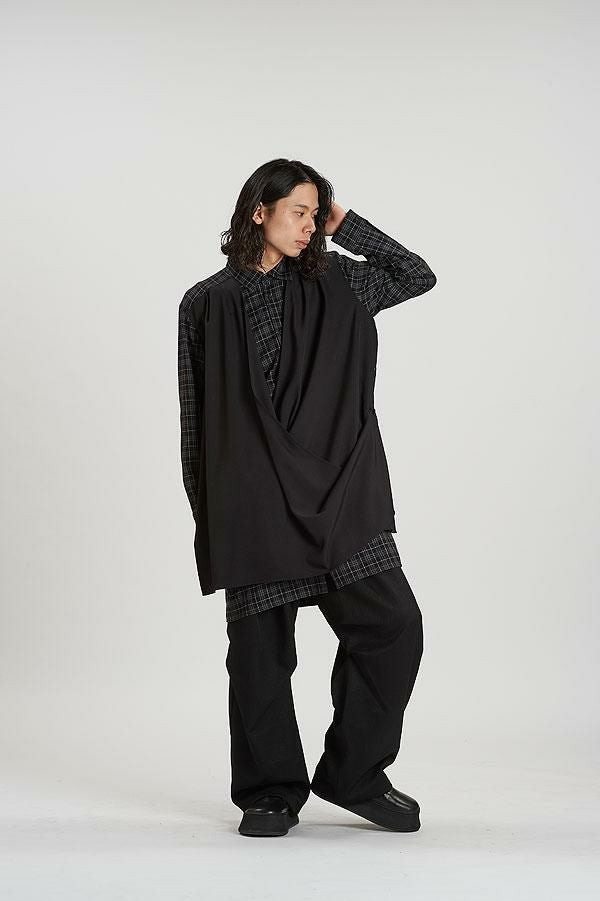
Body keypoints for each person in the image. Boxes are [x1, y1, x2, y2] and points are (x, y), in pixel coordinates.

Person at [177, 159, 437, 837]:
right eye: (299, 211)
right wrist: (212, 516)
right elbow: (195, 421)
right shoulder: (207, 302)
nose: (309, 225)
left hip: (339, 493)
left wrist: (346, 225)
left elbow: (416, 274)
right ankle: (269, 791)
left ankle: (355, 773)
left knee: (394, 627)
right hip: (255, 504)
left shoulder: (339, 281)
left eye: (316, 213)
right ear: (258, 211)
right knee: (259, 657)